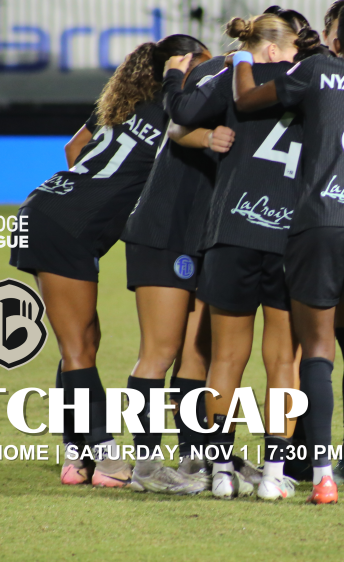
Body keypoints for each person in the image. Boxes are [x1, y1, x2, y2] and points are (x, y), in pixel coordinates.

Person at [8, 35, 212, 489]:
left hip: (52, 207)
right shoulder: (182, 108)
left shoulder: (130, 99)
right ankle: (106, 457)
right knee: (78, 347)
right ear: (182, 65)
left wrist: (99, 195)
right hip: (64, 224)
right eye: (203, 62)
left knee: (81, 340)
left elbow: (73, 147)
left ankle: (79, 454)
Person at [232, 1, 344, 506]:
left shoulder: (315, 70)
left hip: (318, 225)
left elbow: (248, 102)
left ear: (334, 41)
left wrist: (242, 59)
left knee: (316, 353)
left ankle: (323, 477)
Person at [161, 11, 322, 500]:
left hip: (232, 231)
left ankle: (221, 472)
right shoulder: (310, 82)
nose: (296, 57)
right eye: (293, 48)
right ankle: (275, 473)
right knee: (284, 362)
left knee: (226, 357)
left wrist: (173, 75)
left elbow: (181, 113)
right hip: (290, 238)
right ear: (275, 48)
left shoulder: (235, 76)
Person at [119, 41, 239, 494]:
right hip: (164, 232)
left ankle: (195, 457)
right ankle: (145, 465)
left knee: (196, 354)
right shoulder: (219, 78)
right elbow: (176, 126)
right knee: (160, 352)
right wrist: (207, 137)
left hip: (202, 236)